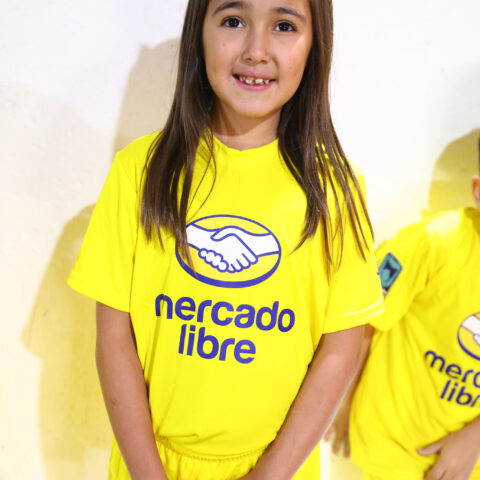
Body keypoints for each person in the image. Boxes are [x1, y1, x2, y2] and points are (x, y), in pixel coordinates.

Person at [67, 1, 384, 479]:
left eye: (284, 26)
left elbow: (340, 350)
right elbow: (113, 338)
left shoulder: (336, 190)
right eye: (233, 21)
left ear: (315, 45)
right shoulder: (139, 172)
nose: (256, 50)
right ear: (199, 32)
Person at [326, 139, 480, 480]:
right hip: (392, 450)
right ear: (477, 191)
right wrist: (341, 401)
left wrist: (474, 437)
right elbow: (362, 319)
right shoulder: (435, 243)